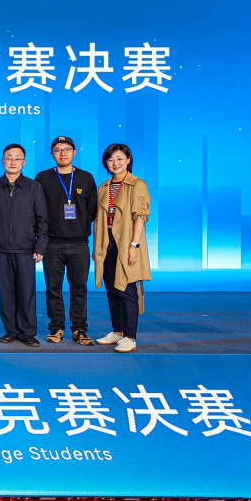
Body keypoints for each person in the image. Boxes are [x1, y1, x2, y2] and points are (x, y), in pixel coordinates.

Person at [0, 144, 48, 347]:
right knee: (6, 291)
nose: (13, 162)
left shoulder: (33, 187)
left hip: (25, 248)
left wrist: (40, 245)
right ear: (3, 161)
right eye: (9, 158)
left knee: (26, 291)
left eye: (17, 158)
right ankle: (11, 330)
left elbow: (42, 219)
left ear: (24, 162)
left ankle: (28, 332)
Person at [35, 136, 97, 345]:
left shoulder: (86, 178)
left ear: (74, 152)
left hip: (79, 243)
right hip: (52, 244)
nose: (63, 153)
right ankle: (56, 328)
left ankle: (79, 329)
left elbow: (91, 210)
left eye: (67, 149)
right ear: (52, 153)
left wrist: (78, 226)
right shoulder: (43, 178)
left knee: (79, 288)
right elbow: (37, 210)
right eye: (58, 149)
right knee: (53, 289)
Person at [93, 143, 151, 353]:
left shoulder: (137, 184)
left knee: (127, 290)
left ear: (128, 159)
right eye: (110, 159)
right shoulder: (104, 187)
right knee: (112, 290)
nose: (115, 163)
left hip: (126, 243)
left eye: (119, 158)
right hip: (106, 243)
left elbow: (140, 217)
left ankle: (130, 337)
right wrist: (97, 247)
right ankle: (117, 331)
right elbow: (99, 218)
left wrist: (134, 245)